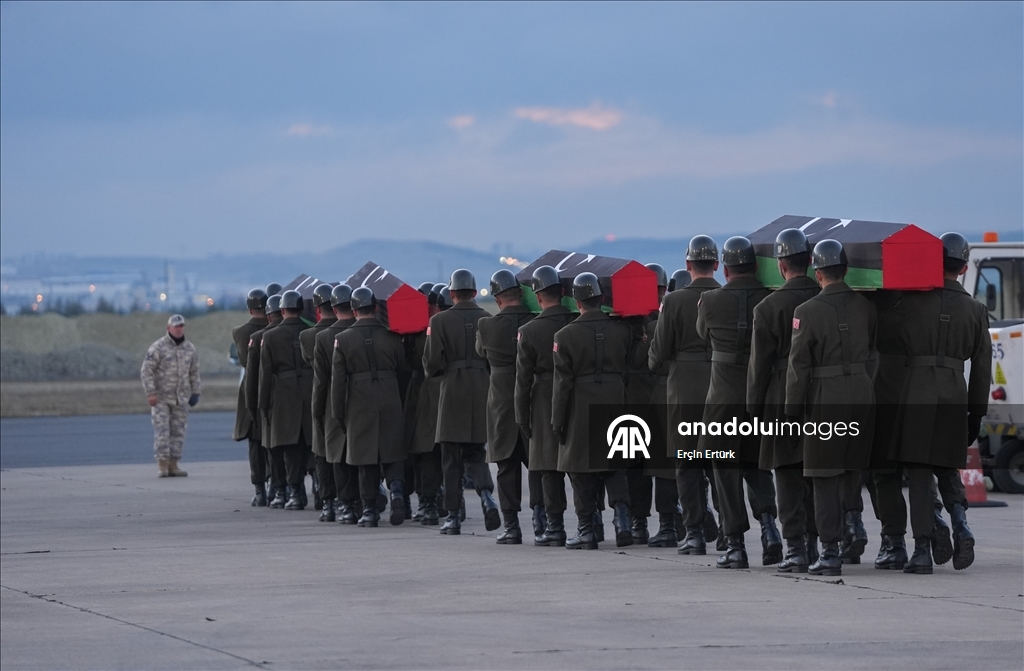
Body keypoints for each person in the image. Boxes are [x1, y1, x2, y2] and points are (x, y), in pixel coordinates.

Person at [887, 232, 990, 573]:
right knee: (947, 465)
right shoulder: (976, 310)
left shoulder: (910, 302)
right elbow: (982, 369)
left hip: (916, 391)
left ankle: (921, 551)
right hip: (954, 394)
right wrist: (976, 413)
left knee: (918, 473)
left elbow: (889, 344)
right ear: (963, 268)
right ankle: (961, 524)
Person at [785, 239, 877, 577]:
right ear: (846, 269)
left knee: (823, 476)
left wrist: (792, 410)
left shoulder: (806, 312)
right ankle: (855, 526)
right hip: (862, 394)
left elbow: (798, 368)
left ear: (817, 271)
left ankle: (830, 551)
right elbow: (873, 353)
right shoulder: (866, 307)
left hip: (825, 398)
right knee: (852, 469)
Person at [696, 236, 781, 569]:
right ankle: (770, 528)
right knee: (757, 466)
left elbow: (703, 334)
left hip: (722, 397)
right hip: (759, 395)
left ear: (726, 267)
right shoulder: (769, 298)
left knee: (723, 468)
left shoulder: (709, 300)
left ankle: (734, 544)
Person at [746, 229, 821, 572]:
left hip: (779, 394)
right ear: (809, 261)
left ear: (780, 264)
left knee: (787, 475)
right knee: (817, 472)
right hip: (821, 394)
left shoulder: (767, 307)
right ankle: (817, 543)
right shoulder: (825, 298)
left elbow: (758, 366)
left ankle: (796, 549)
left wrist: (753, 409)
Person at [552, 272, 636, 550]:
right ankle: (623, 521)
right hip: (616, 400)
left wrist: (557, 420)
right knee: (615, 465)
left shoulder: (564, 336)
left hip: (581, 404)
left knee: (581, 470)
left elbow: (562, 383)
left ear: (577, 302)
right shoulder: (622, 330)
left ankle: (587, 529)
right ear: (601, 298)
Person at [649, 236, 721, 555]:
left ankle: (694, 532)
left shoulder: (674, 302)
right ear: (717, 265)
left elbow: (659, 351)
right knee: (720, 462)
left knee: (688, 463)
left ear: (688, 264)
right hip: (722, 384)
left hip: (684, 390)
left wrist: (653, 361)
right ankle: (730, 530)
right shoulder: (726, 296)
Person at [423, 269, 500, 535]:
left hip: (452, 388)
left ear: (452, 292)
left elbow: (431, 362)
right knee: (477, 454)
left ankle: (453, 515)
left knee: (451, 458)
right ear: (475, 291)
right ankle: (487, 497)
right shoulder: (487, 318)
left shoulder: (440, 320)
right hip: (481, 388)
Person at [331, 287, 409, 527]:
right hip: (389, 397)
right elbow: (404, 374)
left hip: (359, 401)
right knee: (392, 453)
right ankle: (396, 490)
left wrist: (339, 414)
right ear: (376, 308)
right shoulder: (393, 336)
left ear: (354, 311)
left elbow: (338, 382)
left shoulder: (342, 340)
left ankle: (370, 511)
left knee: (365, 459)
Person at [476, 269, 540, 544]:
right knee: (537, 464)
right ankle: (541, 521)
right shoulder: (534, 322)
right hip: (533, 397)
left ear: (498, 298)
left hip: (502, 400)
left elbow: (481, 353)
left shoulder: (487, 325)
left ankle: (512, 527)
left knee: (506, 466)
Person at [516, 266, 575, 546]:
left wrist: (521, 417)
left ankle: (555, 526)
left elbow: (522, 381)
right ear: (563, 293)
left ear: (538, 297)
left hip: (541, 400)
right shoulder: (576, 322)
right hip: (576, 394)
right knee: (580, 464)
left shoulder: (528, 331)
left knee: (549, 467)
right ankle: (594, 521)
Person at [259, 290, 314, 511]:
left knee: (290, 447)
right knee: (312, 444)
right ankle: (320, 490)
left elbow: (265, 374)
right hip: (310, 390)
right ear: (301, 309)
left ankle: (296, 493)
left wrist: (264, 405)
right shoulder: (311, 331)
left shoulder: (270, 337)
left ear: (282, 310)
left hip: (283, 394)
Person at [403, 283, 449, 525]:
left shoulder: (423, 332)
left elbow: (414, 362)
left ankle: (428, 503)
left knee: (425, 452)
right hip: (451, 392)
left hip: (424, 394)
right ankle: (451, 503)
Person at [317, 285, 360, 523]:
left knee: (334, 456)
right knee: (359, 455)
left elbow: (321, 380)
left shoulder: (320, 337)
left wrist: (317, 411)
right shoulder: (367, 333)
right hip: (362, 401)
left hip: (332, 402)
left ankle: (342, 505)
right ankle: (362, 502)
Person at [141, 313, 200, 477]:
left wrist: (196, 392)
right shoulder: (158, 347)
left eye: (181, 326)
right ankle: (162, 464)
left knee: (178, 432)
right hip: (161, 398)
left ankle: (174, 464)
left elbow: (194, 372)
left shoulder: (190, 348)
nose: (179, 329)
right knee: (162, 431)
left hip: (180, 399)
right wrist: (151, 392)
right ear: (169, 328)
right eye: (176, 326)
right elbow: (146, 371)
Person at [301, 283, 338, 521]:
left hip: (324, 398)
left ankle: (328, 503)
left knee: (323, 453)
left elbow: (312, 365)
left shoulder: (309, 336)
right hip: (353, 399)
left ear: (317, 308)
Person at [246, 292, 286, 507]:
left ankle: (265, 489)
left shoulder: (249, 334)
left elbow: (252, 370)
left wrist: (254, 405)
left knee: (260, 444)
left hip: (265, 393)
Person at [232, 288, 270, 505]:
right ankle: (277, 486)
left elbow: (242, 360)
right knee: (274, 441)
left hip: (250, 386)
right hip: (273, 386)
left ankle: (259, 489)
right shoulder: (274, 329)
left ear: (249, 309)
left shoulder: (240, 332)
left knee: (255, 442)